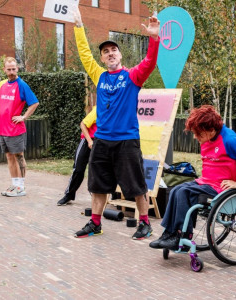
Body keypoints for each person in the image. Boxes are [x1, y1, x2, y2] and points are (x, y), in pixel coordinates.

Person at [72, 7, 160, 239]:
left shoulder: (132, 76)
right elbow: (84, 54)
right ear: (102, 58)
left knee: (136, 186)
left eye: (113, 50)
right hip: (102, 141)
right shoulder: (99, 75)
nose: (110, 54)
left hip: (126, 141)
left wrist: (153, 38)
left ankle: (144, 223)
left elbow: (150, 61)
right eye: (105, 52)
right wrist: (79, 26)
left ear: (120, 55)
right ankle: (95, 224)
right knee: (98, 186)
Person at [149, 105, 236, 249]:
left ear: (211, 130)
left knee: (184, 192)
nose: (195, 137)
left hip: (220, 187)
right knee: (176, 190)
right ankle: (169, 233)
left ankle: (181, 235)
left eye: (199, 134)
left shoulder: (230, 140)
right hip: (206, 182)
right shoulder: (208, 138)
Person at [0, 57, 40, 197]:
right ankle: (14, 184)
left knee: (19, 157)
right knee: (9, 157)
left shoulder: (22, 85)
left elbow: (34, 103)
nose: (11, 72)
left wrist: (23, 117)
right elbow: (0, 104)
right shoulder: (3, 85)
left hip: (15, 129)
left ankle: (21, 187)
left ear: (17, 68)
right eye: (8, 69)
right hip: (3, 128)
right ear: (4, 70)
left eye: (13, 69)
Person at [57, 106, 97, 206]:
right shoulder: (98, 109)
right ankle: (69, 194)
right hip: (87, 140)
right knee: (78, 169)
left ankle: (99, 198)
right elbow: (82, 125)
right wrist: (89, 141)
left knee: (98, 171)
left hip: (100, 142)